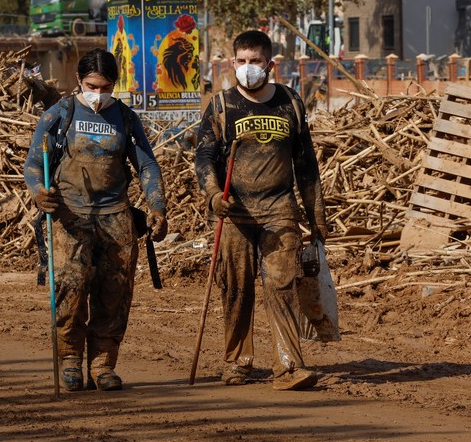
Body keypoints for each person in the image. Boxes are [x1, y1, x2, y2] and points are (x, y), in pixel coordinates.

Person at [24, 48, 168, 392]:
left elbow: (146, 165)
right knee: (70, 291)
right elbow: (33, 163)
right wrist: (38, 192)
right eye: (92, 85)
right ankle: (70, 360)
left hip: (115, 217)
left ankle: (103, 364)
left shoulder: (126, 118)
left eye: (106, 87)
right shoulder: (59, 114)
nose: (99, 94)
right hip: (69, 218)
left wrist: (157, 205)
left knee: (114, 294)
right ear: (78, 80)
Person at [194, 30, 328, 391]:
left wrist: (317, 216)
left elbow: (306, 164)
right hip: (234, 212)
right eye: (241, 62)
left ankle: (288, 366)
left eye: (255, 62)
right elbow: (204, 156)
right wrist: (212, 196)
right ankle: (237, 362)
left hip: (279, 210)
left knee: (282, 286)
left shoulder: (290, 103)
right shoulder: (221, 106)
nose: (247, 68)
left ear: (270, 64)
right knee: (236, 290)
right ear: (232, 63)